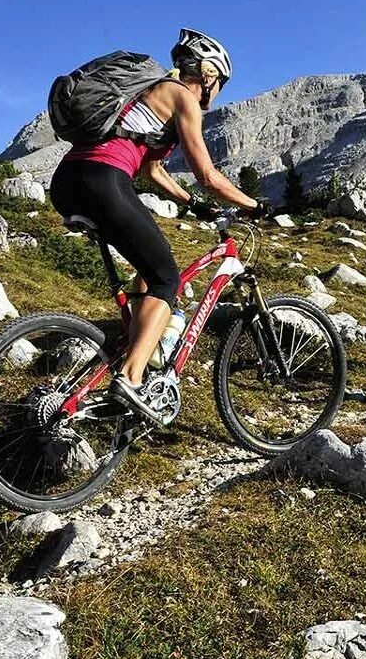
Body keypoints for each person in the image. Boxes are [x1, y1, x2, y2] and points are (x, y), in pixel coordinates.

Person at [49, 28, 269, 422]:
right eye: (220, 82)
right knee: (168, 279)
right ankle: (131, 380)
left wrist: (192, 205)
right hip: (104, 179)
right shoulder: (182, 95)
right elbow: (207, 174)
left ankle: (137, 352)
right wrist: (254, 205)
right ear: (208, 74)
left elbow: (152, 169)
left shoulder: (147, 95)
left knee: (146, 274)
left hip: (68, 181)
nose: (217, 92)